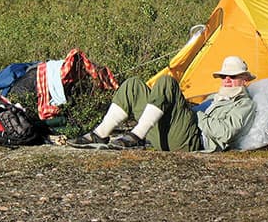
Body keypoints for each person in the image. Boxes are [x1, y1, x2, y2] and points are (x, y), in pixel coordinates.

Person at [69, 56, 256, 152]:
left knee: (167, 82)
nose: (227, 80)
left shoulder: (244, 104)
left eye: (233, 76)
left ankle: (136, 136)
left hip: (191, 141)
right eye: (224, 76)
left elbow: (225, 132)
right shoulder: (215, 96)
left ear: (245, 79)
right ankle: (100, 134)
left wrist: (195, 114)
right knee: (133, 85)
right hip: (173, 135)